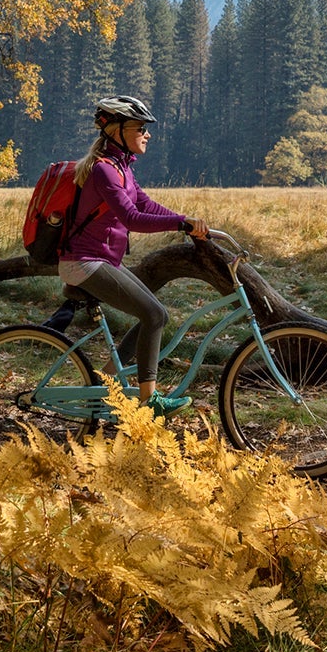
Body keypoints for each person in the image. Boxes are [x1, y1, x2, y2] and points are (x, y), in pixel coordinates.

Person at [56, 95, 208, 414]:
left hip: (100, 261)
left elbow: (146, 204)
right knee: (152, 314)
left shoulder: (121, 168)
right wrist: (181, 223)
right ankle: (149, 399)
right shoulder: (104, 171)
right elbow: (132, 219)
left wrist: (187, 223)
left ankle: (105, 384)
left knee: (157, 315)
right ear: (117, 130)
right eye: (140, 127)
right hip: (83, 263)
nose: (147, 134)